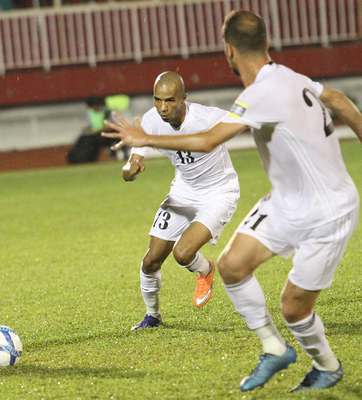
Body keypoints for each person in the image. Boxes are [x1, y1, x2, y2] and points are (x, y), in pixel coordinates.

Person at [102, 10, 362, 393]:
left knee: (293, 307)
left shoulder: (257, 95)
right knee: (231, 265)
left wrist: (146, 140)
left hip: (328, 209)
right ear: (266, 44)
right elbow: (337, 98)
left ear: (228, 51)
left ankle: (327, 365)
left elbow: (208, 141)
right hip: (287, 200)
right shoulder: (289, 77)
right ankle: (274, 348)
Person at [124, 71, 239, 330]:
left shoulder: (207, 117)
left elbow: (245, 120)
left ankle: (205, 268)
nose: (163, 108)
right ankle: (152, 316)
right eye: (157, 100)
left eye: (170, 101)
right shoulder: (152, 120)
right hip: (183, 192)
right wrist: (129, 169)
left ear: (184, 98)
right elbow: (135, 157)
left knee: (183, 253)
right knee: (151, 260)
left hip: (219, 192)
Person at [66, 96, 124, 164]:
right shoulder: (90, 113)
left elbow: (113, 125)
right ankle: (82, 158)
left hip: (107, 134)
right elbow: (90, 126)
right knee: (83, 139)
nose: (95, 108)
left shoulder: (107, 112)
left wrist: (99, 131)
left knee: (98, 139)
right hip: (95, 134)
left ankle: (112, 155)